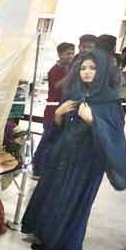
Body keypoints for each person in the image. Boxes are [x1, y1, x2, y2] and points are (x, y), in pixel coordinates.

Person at [22, 50, 126, 250]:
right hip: (63, 156)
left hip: (88, 162)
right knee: (54, 196)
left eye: (93, 68)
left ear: (103, 71)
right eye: (83, 68)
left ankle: (70, 245)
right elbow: (60, 130)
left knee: (78, 200)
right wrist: (59, 114)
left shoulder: (110, 101)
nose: (87, 72)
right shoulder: (73, 94)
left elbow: (115, 137)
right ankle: (44, 238)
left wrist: (92, 121)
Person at [32, 41, 76, 177]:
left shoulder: (68, 69)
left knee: (54, 143)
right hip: (52, 112)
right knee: (47, 141)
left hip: (62, 112)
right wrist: (72, 74)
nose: (70, 56)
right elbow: (57, 87)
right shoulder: (55, 70)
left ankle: (46, 168)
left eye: (72, 53)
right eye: (67, 53)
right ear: (60, 54)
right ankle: (37, 168)